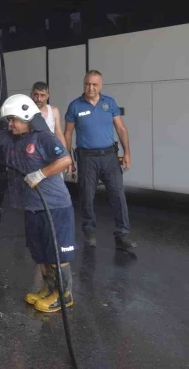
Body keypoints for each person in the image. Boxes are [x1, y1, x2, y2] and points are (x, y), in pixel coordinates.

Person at [0, 94, 75, 313]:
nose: (10, 124)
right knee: (42, 253)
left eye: (13, 120)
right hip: (32, 206)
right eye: (9, 120)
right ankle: (50, 289)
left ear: (27, 117)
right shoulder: (12, 138)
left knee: (57, 254)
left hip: (54, 206)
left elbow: (65, 160)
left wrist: (40, 174)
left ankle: (63, 295)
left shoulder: (44, 138)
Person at [64, 70, 136, 251]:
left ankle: (122, 234)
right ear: (84, 84)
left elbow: (121, 128)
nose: (91, 87)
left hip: (110, 157)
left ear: (101, 85)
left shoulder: (109, 103)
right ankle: (89, 231)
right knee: (87, 197)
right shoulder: (75, 106)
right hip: (87, 158)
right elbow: (68, 133)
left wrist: (127, 152)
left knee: (118, 196)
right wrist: (69, 159)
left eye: (95, 84)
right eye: (88, 84)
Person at [30, 81, 66, 148]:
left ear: (47, 96)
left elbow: (59, 133)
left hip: (49, 149)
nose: (39, 99)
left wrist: (65, 155)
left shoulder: (54, 111)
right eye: (36, 95)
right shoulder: (25, 112)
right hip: (31, 151)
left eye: (42, 95)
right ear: (31, 95)